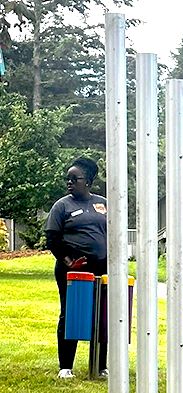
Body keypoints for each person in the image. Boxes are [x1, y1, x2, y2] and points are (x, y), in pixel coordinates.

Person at [45, 157, 108, 379]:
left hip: (102, 270)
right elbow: (52, 239)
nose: (69, 183)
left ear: (88, 181)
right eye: (68, 179)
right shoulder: (62, 206)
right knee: (70, 314)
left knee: (102, 315)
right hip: (73, 270)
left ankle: (101, 367)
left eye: (75, 179)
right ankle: (66, 367)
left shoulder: (103, 203)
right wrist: (69, 261)